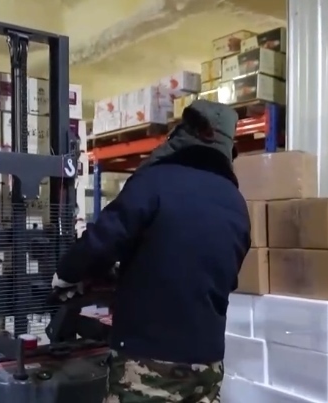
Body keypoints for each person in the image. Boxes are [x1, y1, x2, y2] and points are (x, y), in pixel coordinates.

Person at [53, 100, 251, 402]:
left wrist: (67, 273)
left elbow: (103, 240)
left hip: (147, 358)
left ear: (183, 135)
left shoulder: (154, 182)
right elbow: (220, 276)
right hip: (206, 362)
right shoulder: (236, 204)